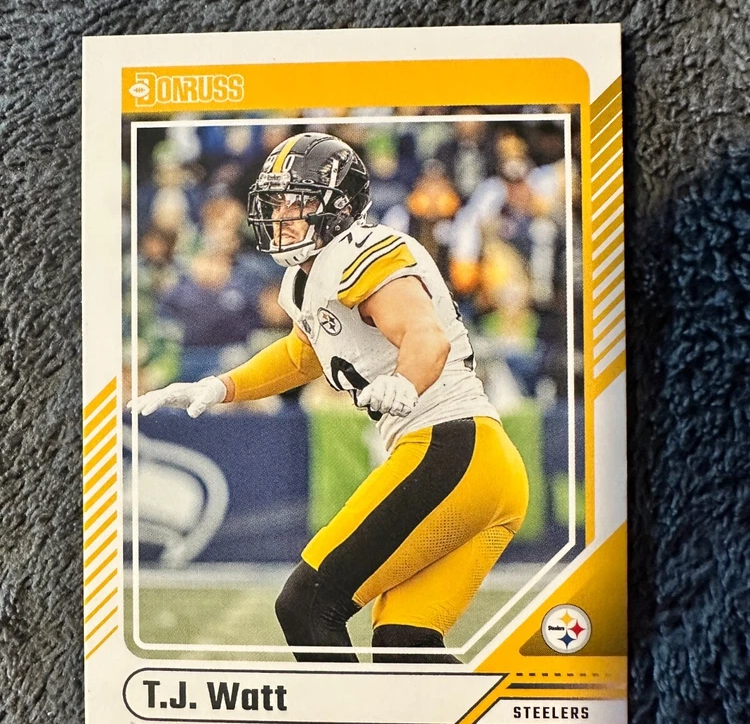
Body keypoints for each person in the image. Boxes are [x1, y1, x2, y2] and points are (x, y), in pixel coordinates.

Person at [129, 133, 529, 664]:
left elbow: (425, 336)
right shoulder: (307, 279)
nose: (281, 215)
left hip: (451, 446)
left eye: (296, 202)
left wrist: (405, 382)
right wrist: (220, 386)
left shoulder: (363, 252)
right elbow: (302, 356)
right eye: (276, 203)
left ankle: (342, 723)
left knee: (307, 604)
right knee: (405, 648)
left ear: (338, 208)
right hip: (477, 463)